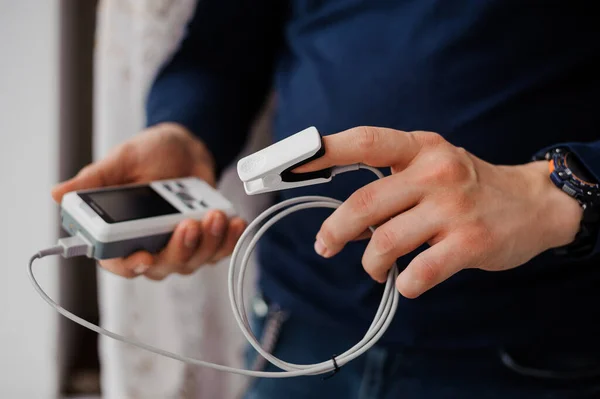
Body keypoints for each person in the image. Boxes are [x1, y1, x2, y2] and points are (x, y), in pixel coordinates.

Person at [52, 1, 600, 398]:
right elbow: (226, 42)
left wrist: (563, 187)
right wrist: (187, 129)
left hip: (535, 349)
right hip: (298, 332)